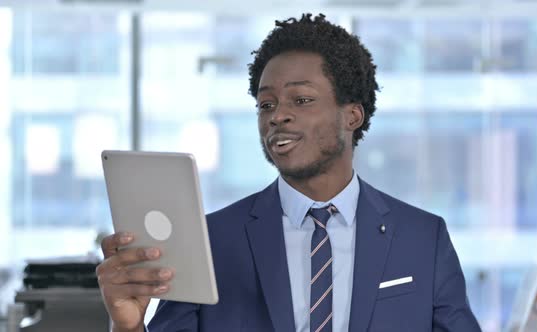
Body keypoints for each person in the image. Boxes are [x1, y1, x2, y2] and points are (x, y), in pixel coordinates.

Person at [97, 13, 482, 332]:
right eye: (266, 104)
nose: (277, 115)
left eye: (301, 99)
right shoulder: (211, 241)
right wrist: (127, 325)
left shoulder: (422, 238)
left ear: (352, 115)